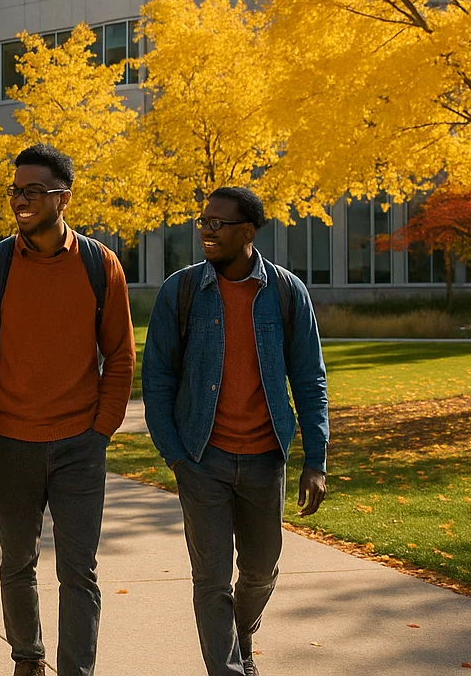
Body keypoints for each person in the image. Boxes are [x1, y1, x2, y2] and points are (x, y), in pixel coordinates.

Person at [0, 144, 136, 676]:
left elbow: (121, 357)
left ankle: (76, 669)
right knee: (17, 566)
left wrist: (100, 431)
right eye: (15, 191)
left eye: (33, 191)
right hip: (11, 446)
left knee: (80, 572)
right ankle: (28, 660)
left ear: (64, 198)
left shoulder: (101, 266)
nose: (20, 200)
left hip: (81, 444)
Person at [141, 187, 329, 676]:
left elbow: (310, 379)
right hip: (203, 458)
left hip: (266, 459)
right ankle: (227, 668)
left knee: (260, 572)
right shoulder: (180, 291)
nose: (206, 229)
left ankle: (241, 635)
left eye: (218, 223)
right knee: (211, 581)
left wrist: (315, 461)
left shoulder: (287, 293)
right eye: (203, 220)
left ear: (248, 232)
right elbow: (156, 380)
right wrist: (177, 458)